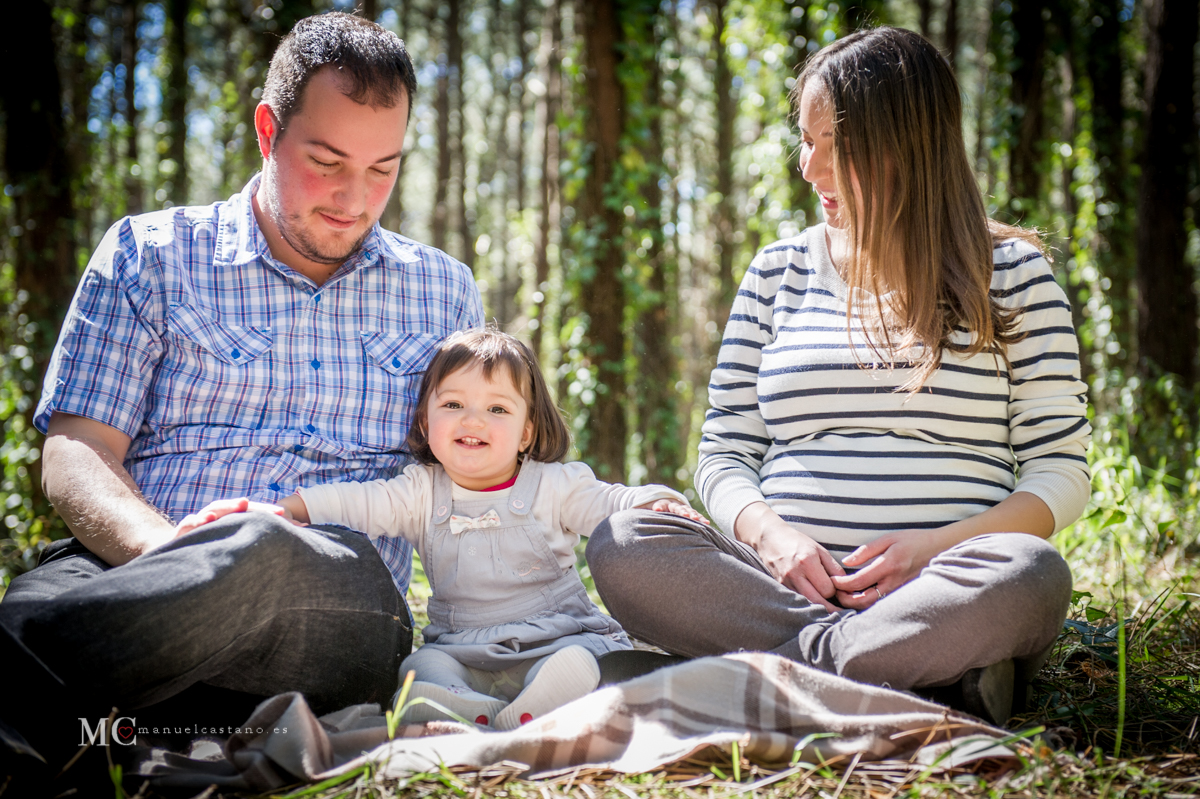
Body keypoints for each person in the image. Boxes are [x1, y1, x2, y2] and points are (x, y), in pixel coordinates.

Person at [0, 11, 482, 780]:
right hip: (134, 565)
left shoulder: (443, 292)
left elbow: (474, 488)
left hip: (336, 597)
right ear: (267, 130)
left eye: (382, 169)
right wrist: (172, 557)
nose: (354, 198)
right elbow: (76, 450)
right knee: (38, 600)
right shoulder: (149, 254)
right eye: (326, 161)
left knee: (262, 547)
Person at [587, 26, 1090, 725]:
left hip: (941, 590)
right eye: (805, 139)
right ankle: (910, 679)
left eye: (837, 146)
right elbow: (725, 450)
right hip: (778, 588)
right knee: (624, 541)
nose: (809, 167)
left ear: (911, 147)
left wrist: (932, 551)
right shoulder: (776, 272)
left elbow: (1059, 471)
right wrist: (772, 537)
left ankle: (745, 678)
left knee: (1030, 575)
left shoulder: (1013, 275)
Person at [186, 328, 706, 730]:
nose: (472, 420)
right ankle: (470, 709)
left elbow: (611, 503)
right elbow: (355, 501)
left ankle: (545, 700)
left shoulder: (554, 485)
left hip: (558, 636)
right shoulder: (419, 491)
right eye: (453, 404)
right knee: (421, 668)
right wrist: (286, 511)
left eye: (496, 409)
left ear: (526, 432)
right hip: (462, 646)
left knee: (584, 659)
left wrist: (657, 503)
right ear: (424, 422)